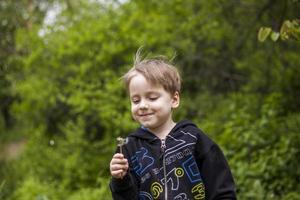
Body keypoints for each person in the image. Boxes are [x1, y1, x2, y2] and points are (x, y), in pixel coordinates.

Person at [109, 52, 236, 200]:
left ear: (174, 100)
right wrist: (120, 179)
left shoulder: (194, 138)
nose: (142, 105)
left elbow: (222, 189)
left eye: (152, 98)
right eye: (136, 100)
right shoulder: (129, 147)